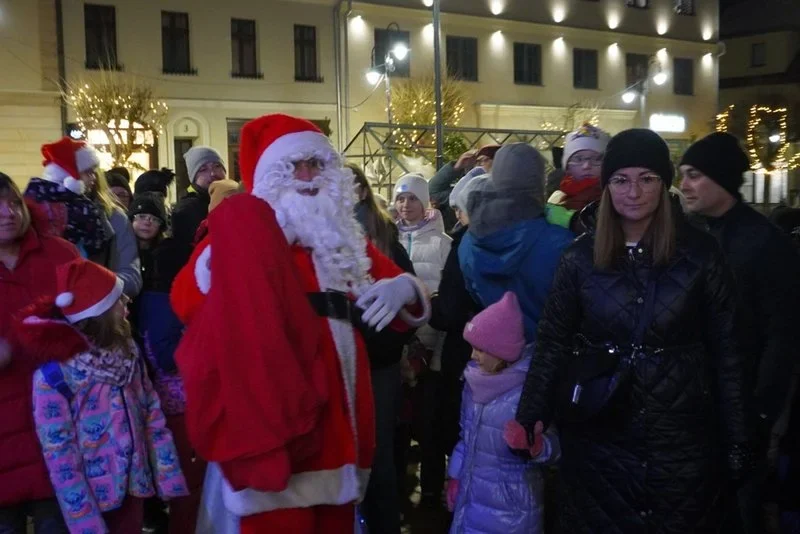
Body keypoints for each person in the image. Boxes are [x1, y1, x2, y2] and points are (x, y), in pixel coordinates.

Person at [169, 114, 431, 534]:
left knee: (336, 517)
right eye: (295, 167)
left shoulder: (343, 236)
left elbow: (396, 300)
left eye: (317, 165)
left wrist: (404, 288)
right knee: (277, 516)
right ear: (271, 177)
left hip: (342, 410)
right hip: (278, 411)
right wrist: (239, 254)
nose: (307, 176)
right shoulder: (245, 232)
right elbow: (187, 297)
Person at [516, 128, 754, 532]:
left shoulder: (700, 255)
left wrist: (738, 437)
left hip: (680, 445)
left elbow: (728, 351)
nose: (634, 191)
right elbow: (553, 340)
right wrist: (530, 414)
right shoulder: (578, 259)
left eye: (647, 178)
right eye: (621, 179)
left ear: (664, 185)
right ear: (607, 186)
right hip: (599, 442)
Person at [679, 131, 800, 533]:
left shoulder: (766, 244)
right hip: (698, 407)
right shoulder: (693, 236)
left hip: (744, 412)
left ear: (721, 178)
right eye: (682, 175)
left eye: (694, 174)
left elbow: (782, 336)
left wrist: (760, 412)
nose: (684, 185)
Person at [17, 258, 187, 534]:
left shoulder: (128, 352)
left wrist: (166, 474)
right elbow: (61, 455)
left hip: (135, 488)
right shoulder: (54, 377)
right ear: (99, 313)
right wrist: (85, 522)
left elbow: (151, 412)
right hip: (93, 499)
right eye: (119, 299)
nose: (127, 303)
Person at [0, 172, 77, 534]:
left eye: (13, 202)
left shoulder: (59, 253)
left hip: (57, 423)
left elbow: (93, 322)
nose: (8, 213)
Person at [447, 292, 559, 534]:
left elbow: (556, 447)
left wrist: (536, 445)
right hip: (472, 501)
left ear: (501, 352)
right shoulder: (472, 383)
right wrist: (455, 476)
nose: (472, 355)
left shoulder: (527, 393)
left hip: (512, 512)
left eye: (479, 349)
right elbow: (465, 438)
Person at [352, 164, 416, 534]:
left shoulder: (380, 231)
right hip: (375, 355)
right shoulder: (327, 232)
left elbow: (407, 290)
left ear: (361, 191)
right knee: (374, 453)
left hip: (374, 358)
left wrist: (386, 338)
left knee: (373, 453)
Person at [459, 143, 574, 342]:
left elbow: (473, 293)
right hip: (548, 352)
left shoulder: (468, 241)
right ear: (539, 182)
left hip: (497, 353)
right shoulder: (561, 242)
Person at [393, 173, 452, 507]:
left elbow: (447, 298)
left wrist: (437, 349)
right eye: (401, 199)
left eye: (412, 198)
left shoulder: (442, 243)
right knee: (400, 422)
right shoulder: (390, 239)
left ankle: (431, 489)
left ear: (425, 201)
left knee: (429, 423)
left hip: (430, 347)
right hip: (399, 348)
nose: (406, 205)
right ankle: (400, 487)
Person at [430, 174, 486, 465]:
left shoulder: (464, 244)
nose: (458, 218)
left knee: (463, 432)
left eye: (460, 212)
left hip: (467, 352)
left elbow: (449, 312)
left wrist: (433, 303)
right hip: (513, 356)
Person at [24, 137, 111, 258]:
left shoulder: (28, 200)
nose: (94, 178)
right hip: (74, 269)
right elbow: (96, 243)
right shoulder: (84, 207)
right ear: (69, 175)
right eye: (88, 172)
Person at [81, 165, 142, 298]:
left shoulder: (115, 218)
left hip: (103, 308)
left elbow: (132, 278)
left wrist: (92, 288)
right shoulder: (46, 216)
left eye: (90, 172)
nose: (87, 178)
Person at [546, 123, 611, 234]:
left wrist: (569, 219)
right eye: (578, 159)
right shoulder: (559, 195)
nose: (586, 166)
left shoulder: (612, 196)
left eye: (596, 159)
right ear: (568, 167)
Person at [171, 147, 226, 266]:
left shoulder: (232, 199)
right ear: (194, 177)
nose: (213, 173)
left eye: (217, 166)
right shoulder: (188, 209)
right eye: (203, 169)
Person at [428, 145, 501, 232]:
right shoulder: (462, 190)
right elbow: (433, 192)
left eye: (484, 160)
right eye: (478, 161)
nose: (480, 165)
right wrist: (456, 167)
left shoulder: (506, 193)